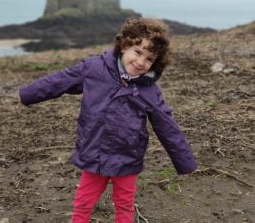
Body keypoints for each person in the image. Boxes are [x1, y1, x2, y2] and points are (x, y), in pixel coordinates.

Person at [19, 18, 197, 223]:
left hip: (127, 157)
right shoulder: (94, 68)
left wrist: (185, 163)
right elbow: (60, 81)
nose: (141, 62)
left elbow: (167, 126)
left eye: (149, 59)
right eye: (138, 52)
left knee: (124, 203)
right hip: (93, 153)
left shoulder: (149, 91)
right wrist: (27, 94)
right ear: (124, 46)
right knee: (83, 202)